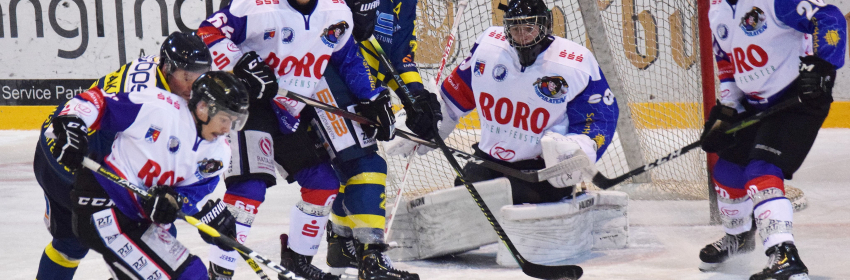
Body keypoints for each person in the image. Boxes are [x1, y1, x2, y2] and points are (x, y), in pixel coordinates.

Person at [195, 0, 402, 278]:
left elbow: (347, 58)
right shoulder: (256, 6)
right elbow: (207, 33)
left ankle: (297, 262)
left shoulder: (336, 11)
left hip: (287, 110)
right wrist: (241, 63)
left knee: (323, 183)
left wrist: (369, 97)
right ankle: (221, 272)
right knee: (250, 188)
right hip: (249, 106)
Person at [385, 0, 618, 205]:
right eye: (516, 29)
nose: (523, 36)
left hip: (541, 172)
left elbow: (600, 117)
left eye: (529, 28)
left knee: (509, 199)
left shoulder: (575, 62)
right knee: (465, 193)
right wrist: (425, 123)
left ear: (545, 27)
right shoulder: (489, 48)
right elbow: (455, 96)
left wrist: (580, 147)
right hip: (490, 163)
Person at [33, 31, 211, 280]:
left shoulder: (163, 71)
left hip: (54, 141)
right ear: (168, 68)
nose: (195, 87)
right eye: (187, 77)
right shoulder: (148, 94)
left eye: (200, 76)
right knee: (155, 244)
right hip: (70, 156)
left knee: (69, 246)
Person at [53, 71, 248, 280]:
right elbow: (98, 101)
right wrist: (71, 125)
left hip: (141, 222)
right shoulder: (157, 107)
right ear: (203, 108)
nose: (227, 129)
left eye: (234, 122)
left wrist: (174, 202)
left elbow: (189, 195)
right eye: (224, 119)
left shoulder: (218, 155)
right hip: (104, 203)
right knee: (191, 276)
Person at [700, 0, 844, 279]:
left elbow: (829, 17)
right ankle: (738, 238)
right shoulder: (717, 7)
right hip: (756, 105)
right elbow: (726, 61)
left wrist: (821, 67)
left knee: (760, 170)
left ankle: (785, 256)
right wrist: (729, 110)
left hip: (797, 100)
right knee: (728, 171)